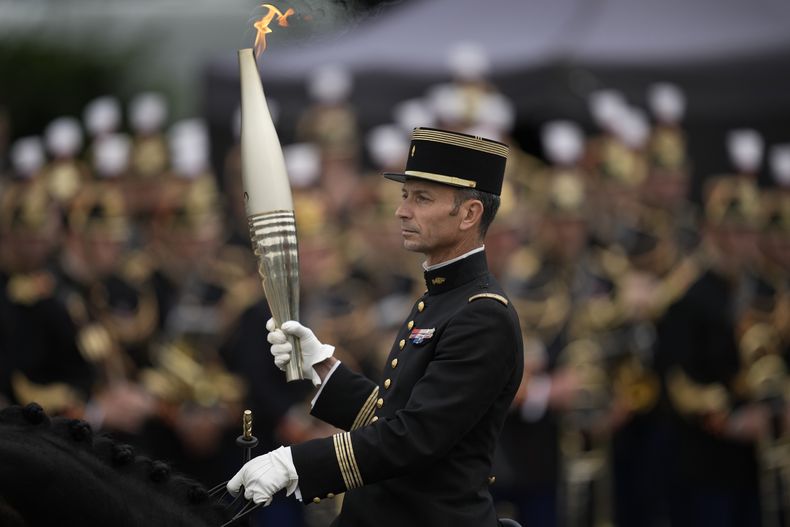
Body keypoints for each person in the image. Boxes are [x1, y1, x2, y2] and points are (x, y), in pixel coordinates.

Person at [228, 127, 524, 526]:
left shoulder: (483, 315)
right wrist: (322, 367)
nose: (402, 210)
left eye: (422, 198)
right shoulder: (439, 298)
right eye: (405, 196)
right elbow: (390, 416)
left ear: (470, 213)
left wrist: (295, 462)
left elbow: (414, 437)